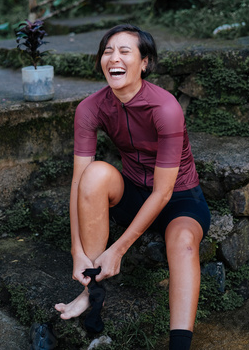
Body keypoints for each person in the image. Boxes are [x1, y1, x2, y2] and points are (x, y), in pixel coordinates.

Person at [55, 24, 211, 350]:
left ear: (144, 63)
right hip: (133, 193)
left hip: (179, 198)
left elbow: (164, 193)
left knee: (183, 241)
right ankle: (90, 294)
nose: (115, 57)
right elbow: (78, 182)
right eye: (108, 51)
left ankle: (179, 345)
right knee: (95, 174)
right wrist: (77, 251)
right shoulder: (90, 108)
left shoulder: (165, 108)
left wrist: (119, 249)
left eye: (125, 51)